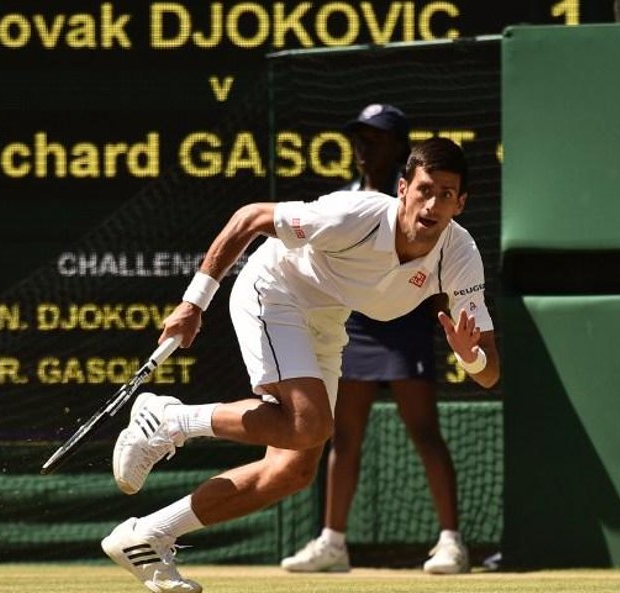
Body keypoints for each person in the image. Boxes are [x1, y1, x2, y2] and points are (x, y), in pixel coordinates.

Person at [101, 137, 500, 593]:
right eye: (425, 189)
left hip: (326, 319)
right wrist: (194, 303)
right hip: (273, 290)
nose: (432, 204)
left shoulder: (460, 253)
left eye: (446, 194)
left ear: (460, 203)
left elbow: (488, 372)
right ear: (404, 187)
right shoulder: (354, 215)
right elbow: (248, 218)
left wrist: (469, 355)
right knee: (309, 425)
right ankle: (169, 420)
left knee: (292, 470)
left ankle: (148, 537)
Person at [280, 104, 470, 575]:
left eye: (376, 139)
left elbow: (442, 266)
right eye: (359, 138)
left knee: (425, 432)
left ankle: (451, 542)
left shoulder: (422, 201)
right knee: (343, 436)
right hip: (355, 329)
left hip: (405, 328)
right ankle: (333, 542)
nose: (364, 147)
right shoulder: (345, 199)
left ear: (401, 149)